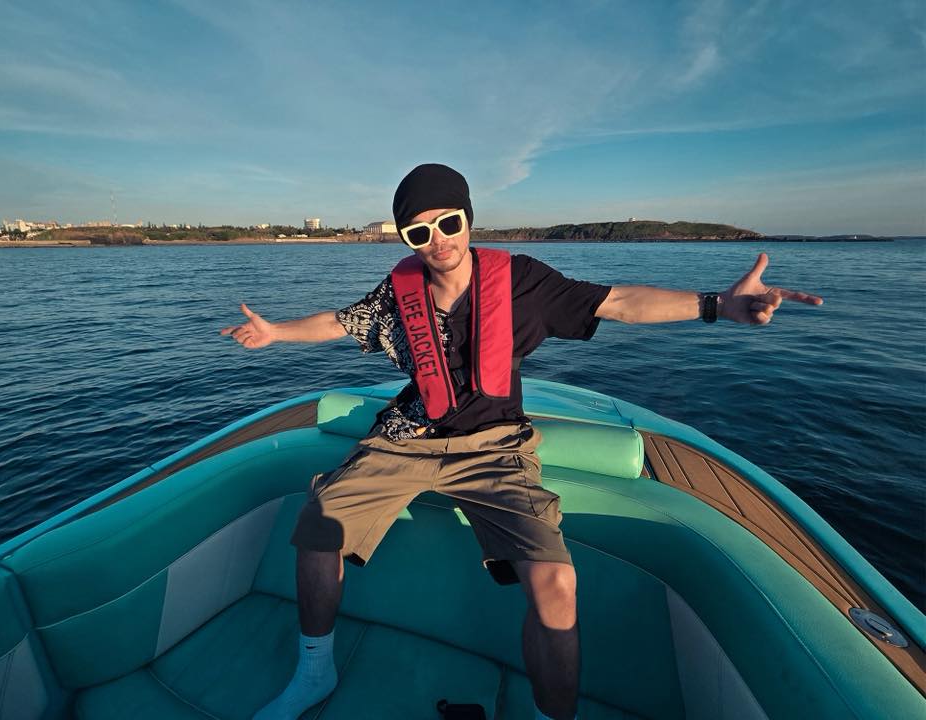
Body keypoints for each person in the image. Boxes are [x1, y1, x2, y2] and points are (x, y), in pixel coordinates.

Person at [221, 163, 823, 720]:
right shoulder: (396, 293)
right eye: (418, 232)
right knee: (319, 522)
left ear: (468, 218)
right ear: (405, 238)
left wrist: (717, 305)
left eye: (448, 223)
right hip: (407, 437)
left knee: (556, 582)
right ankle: (315, 672)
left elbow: (618, 303)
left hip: (494, 446)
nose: (438, 240)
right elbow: (340, 321)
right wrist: (275, 332)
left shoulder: (522, 284)